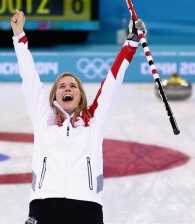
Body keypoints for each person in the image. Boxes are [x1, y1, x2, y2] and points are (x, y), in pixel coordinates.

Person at [11, 10, 146, 224]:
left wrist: (131, 43)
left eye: (73, 86)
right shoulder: (42, 117)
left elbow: (112, 82)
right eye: (62, 86)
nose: (67, 88)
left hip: (87, 207)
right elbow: (29, 76)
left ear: (80, 95)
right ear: (54, 94)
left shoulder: (94, 120)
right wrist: (19, 35)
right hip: (44, 204)